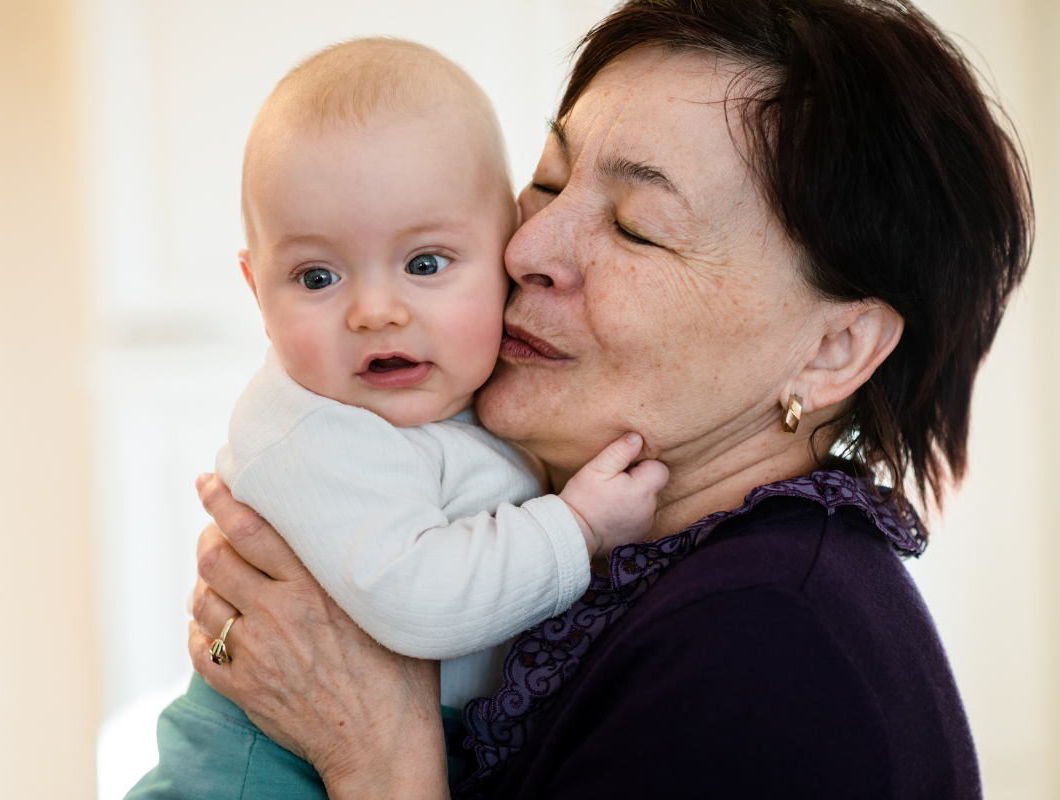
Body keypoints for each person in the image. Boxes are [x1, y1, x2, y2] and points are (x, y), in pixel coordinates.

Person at [185, 1, 1032, 797]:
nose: (527, 248)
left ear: (831, 349)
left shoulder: (765, 649)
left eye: (635, 225)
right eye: (549, 183)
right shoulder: (638, 566)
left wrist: (377, 754)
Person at [128, 37, 668, 800]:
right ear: (257, 293)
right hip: (254, 771)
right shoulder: (316, 430)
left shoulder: (473, 396)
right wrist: (575, 529)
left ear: (504, 247)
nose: (376, 312)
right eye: (317, 276)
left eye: (425, 265)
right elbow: (422, 602)